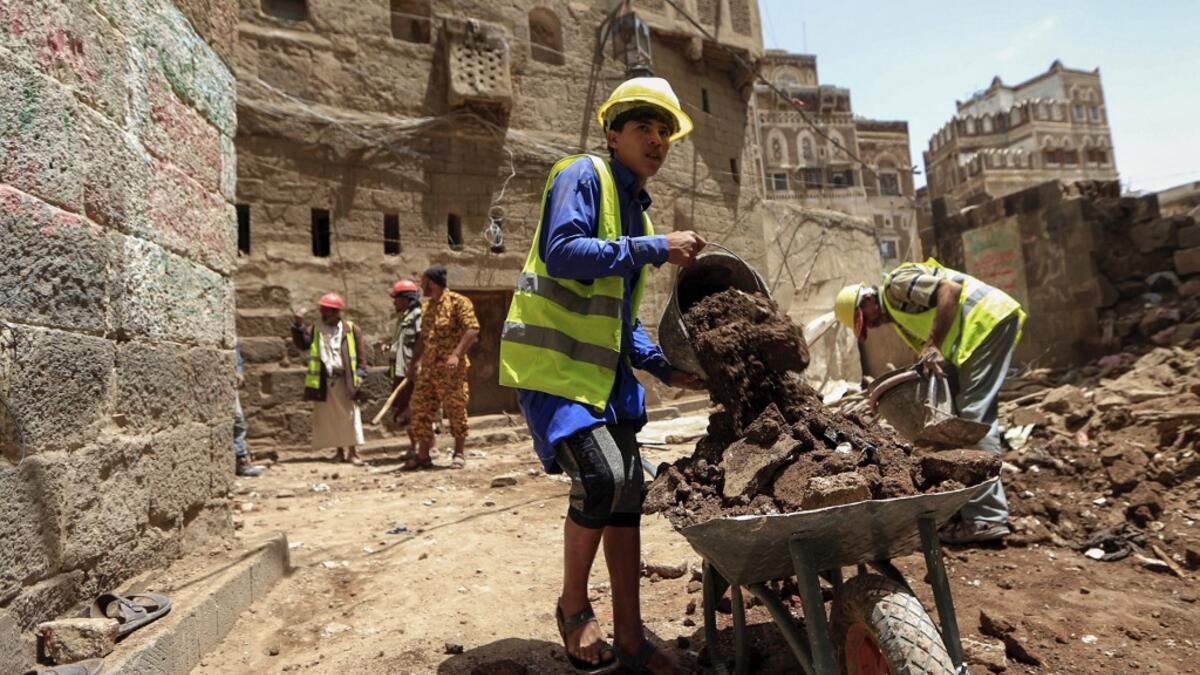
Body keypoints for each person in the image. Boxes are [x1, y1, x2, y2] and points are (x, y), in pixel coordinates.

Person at [498, 76, 705, 675]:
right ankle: (572, 609)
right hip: (552, 366)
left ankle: (634, 640)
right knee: (601, 476)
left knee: (629, 491)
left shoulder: (636, 214)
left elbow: (621, 319)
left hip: (602, 379)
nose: (657, 140)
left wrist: (666, 366)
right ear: (613, 133)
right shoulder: (581, 175)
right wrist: (653, 249)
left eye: (665, 131)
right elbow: (563, 252)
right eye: (644, 127)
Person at [834, 258, 1027, 545]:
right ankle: (968, 506)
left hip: (985, 323)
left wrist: (934, 344)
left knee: (974, 415)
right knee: (958, 417)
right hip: (972, 337)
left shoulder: (895, 286)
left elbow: (949, 289)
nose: (872, 325)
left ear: (870, 299)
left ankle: (986, 518)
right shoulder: (900, 316)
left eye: (867, 318)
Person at [404, 265, 479, 470]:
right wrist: (413, 363)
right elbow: (423, 338)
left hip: (450, 370)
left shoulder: (458, 302)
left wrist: (456, 354)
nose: (421, 285)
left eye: (423, 281)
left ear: (432, 282)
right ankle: (423, 455)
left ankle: (459, 453)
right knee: (420, 408)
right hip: (428, 369)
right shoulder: (427, 307)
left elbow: (472, 328)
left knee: (455, 408)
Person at [290, 292, 369, 466]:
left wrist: (361, 374)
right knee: (331, 418)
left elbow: (361, 355)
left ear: (336, 312)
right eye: (323, 311)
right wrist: (298, 325)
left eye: (327, 311)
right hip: (324, 381)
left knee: (350, 415)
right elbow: (302, 344)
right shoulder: (316, 328)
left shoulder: (351, 328)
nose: (324, 314)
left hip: (346, 380)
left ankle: (353, 452)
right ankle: (339, 452)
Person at [384, 279, 422, 446]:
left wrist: (417, 365)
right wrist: (390, 347)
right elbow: (403, 343)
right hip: (401, 372)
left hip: (413, 374)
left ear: (406, 299)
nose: (394, 302)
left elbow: (423, 340)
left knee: (417, 409)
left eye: (396, 298)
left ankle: (429, 447)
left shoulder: (418, 316)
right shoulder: (403, 318)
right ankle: (414, 446)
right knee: (404, 410)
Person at [233, 342, 265, 477]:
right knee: (237, 418)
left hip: (229, 379)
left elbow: (236, 350)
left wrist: (239, 371)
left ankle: (241, 459)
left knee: (238, 419)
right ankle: (240, 459)